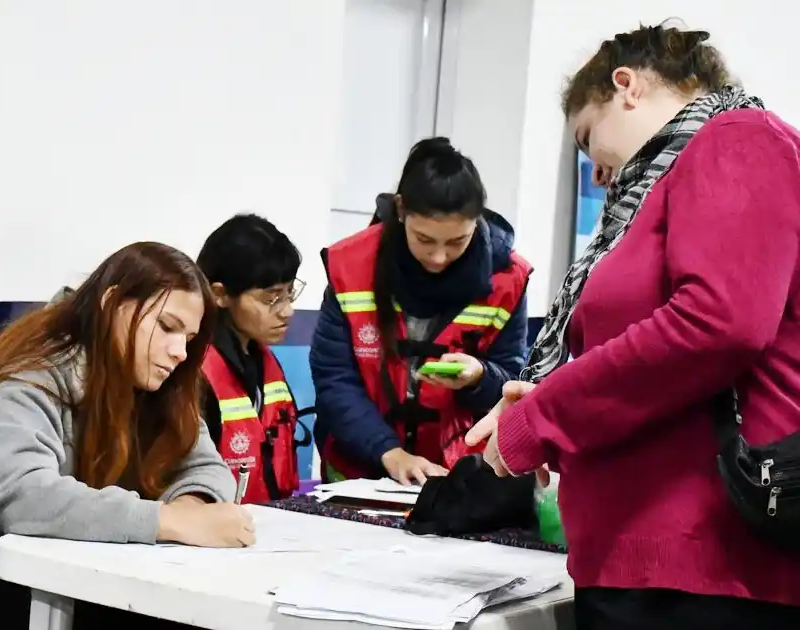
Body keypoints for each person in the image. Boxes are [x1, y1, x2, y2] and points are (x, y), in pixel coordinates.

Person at [466, 23, 800, 629]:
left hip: (705, 566)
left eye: (589, 140)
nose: (598, 174)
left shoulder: (736, 139)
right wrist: (544, 399)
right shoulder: (681, 172)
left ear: (626, 86)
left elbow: (717, 323)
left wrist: (541, 420)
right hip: (650, 562)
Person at [0, 242, 254, 630]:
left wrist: (192, 505)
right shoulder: (32, 370)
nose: (180, 351)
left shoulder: (161, 380)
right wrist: (167, 521)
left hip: (61, 570)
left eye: (190, 337)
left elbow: (204, 465)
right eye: (167, 327)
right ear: (112, 303)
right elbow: (19, 494)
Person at [311, 137, 531, 485]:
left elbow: (513, 385)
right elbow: (334, 378)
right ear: (400, 210)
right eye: (425, 240)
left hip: (456, 478)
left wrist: (479, 376)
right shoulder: (351, 267)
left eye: (457, 242)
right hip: (358, 472)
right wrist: (390, 453)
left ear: (477, 222)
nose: (439, 257)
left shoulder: (508, 279)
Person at [196, 214, 311, 503]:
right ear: (219, 294)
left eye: (289, 292)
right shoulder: (193, 371)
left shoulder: (261, 358)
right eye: (271, 298)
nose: (287, 311)